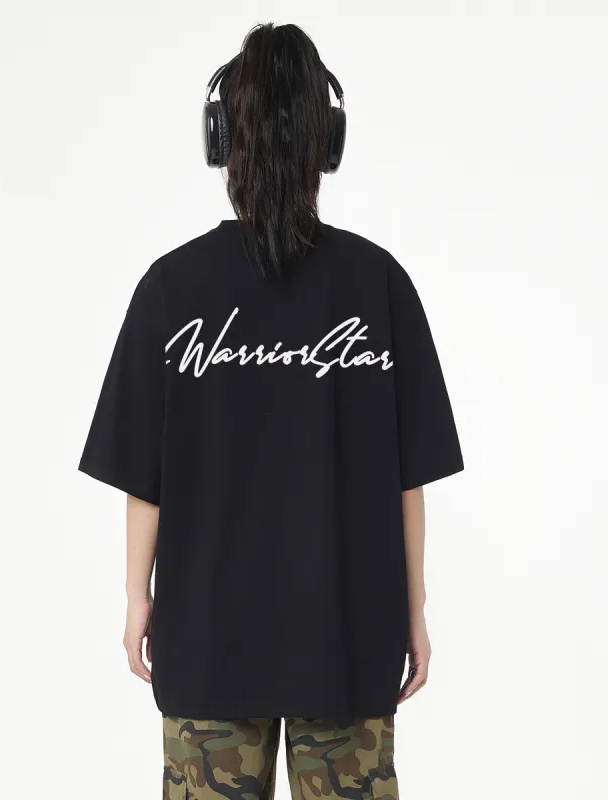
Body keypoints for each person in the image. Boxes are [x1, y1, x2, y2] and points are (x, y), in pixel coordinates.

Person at [78, 22, 463, 800]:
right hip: (347, 634)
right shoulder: (379, 284)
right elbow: (407, 480)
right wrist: (413, 609)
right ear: (328, 141)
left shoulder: (172, 288)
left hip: (208, 637)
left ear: (222, 138)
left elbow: (144, 479)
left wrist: (137, 597)